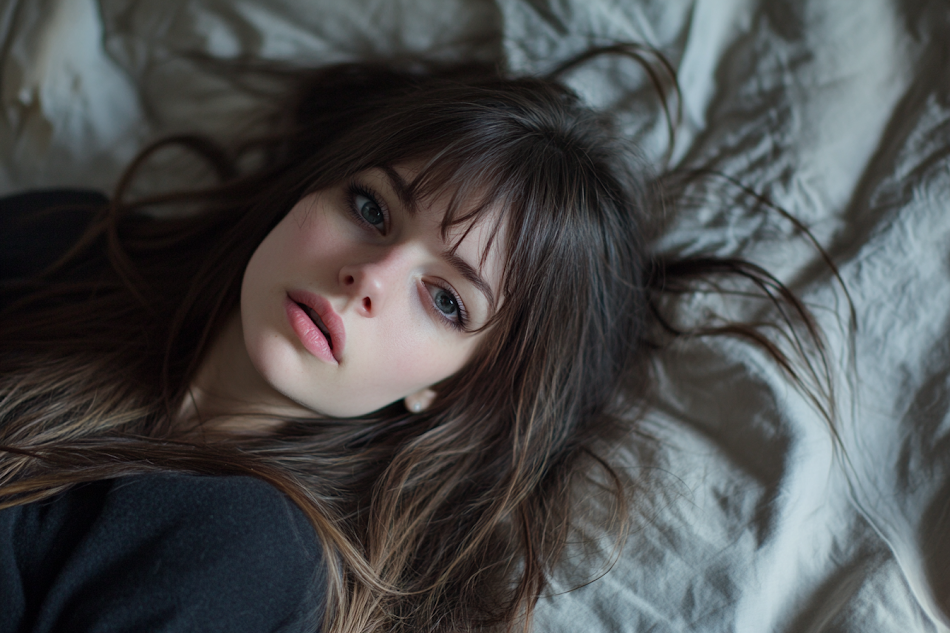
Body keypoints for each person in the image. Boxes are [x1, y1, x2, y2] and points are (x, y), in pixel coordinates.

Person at [0, 53, 828, 632]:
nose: (371, 275)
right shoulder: (71, 241)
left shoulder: (250, 550)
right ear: (307, 196)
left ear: (451, 383)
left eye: (444, 299)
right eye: (371, 209)